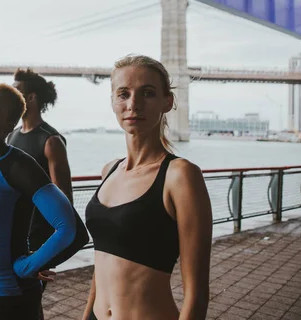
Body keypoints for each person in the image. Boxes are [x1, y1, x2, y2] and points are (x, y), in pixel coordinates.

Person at [83, 55, 212, 320]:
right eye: (123, 94)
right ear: (113, 102)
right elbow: (103, 264)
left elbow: (196, 293)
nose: (133, 104)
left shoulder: (180, 175)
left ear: (168, 101)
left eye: (148, 93)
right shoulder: (109, 171)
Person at [0, 83, 87, 320]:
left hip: (6, 295)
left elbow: (71, 229)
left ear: (9, 126)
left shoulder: (19, 167)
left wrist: (30, 265)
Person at [7, 68, 72, 320]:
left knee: (27, 305)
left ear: (31, 98)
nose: (11, 96)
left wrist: (46, 254)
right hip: (11, 237)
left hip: (36, 243)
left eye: (16, 91)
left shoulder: (51, 140)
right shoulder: (11, 136)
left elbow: (64, 203)